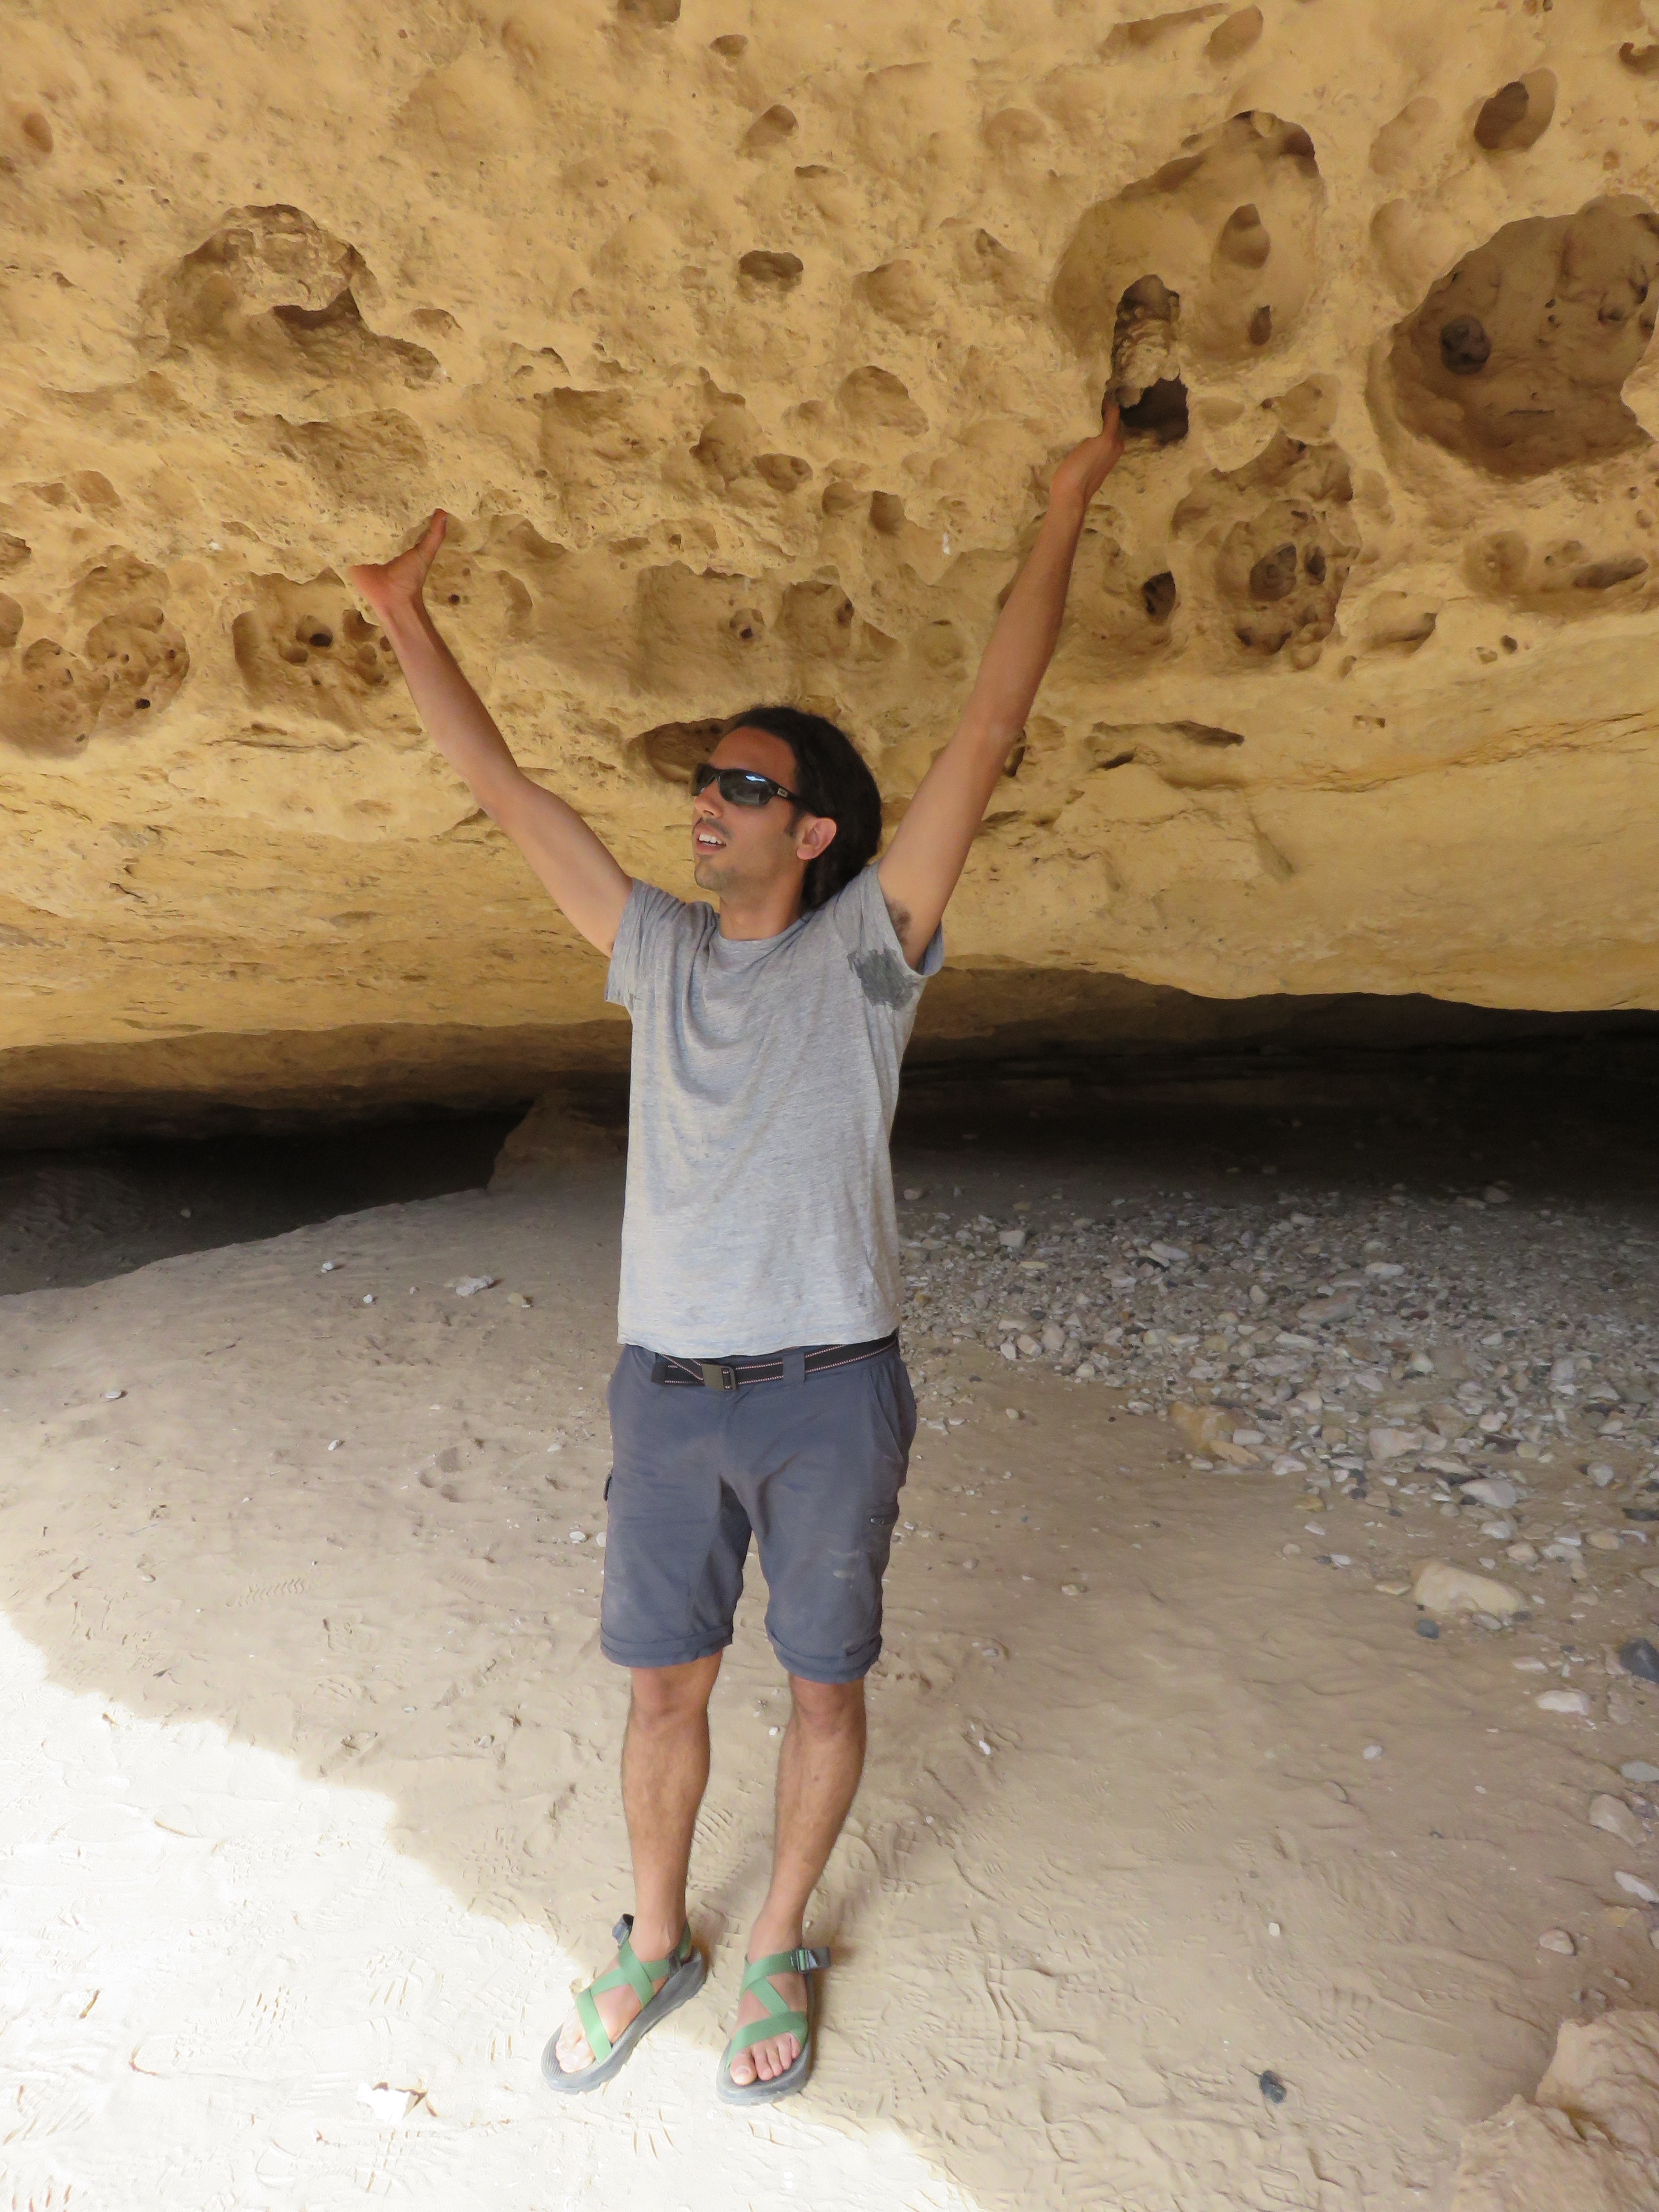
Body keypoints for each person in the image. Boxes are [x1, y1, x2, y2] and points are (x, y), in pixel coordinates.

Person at [347, 401, 1124, 2104]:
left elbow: (989, 731)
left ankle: (774, 1936)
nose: (707, 802)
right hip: (665, 1396)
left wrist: (1071, 497)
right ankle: (654, 1940)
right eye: (705, 780)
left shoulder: (869, 954)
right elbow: (505, 792)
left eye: (744, 786)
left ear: (814, 831)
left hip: (829, 1392)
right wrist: (405, 618)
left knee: (824, 1688)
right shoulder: (656, 954)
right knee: (662, 1692)